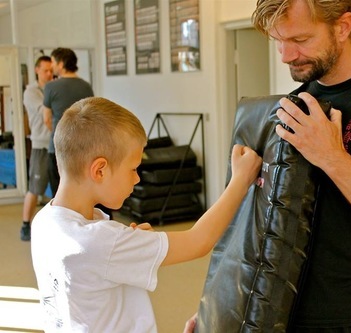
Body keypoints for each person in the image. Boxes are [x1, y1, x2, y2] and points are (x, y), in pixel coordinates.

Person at [186, 0, 351, 332]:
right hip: (280, 316)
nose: (285, 55)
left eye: (300, 40)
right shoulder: (292, 106)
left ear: (343, 26)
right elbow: (252, 223)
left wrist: (331, 157)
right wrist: (220, 306)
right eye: (278, 41)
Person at [31, 97, 262, 332]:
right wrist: (240, 180)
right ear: (99, 170)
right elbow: (198, 241)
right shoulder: (101, 242)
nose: (137, 178)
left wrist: (126, 245)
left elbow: (88, 277)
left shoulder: (44, 221)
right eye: (133, 169)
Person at [43, 47, 94, 197]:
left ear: (61, 63)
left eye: (52, 61)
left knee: (59, 193)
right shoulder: (86, 86)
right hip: (83, 147)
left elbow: (47, 119)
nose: (51, 66)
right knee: (82, 191)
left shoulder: (51, 86)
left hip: (58, 147)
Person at [20, 55, 53, 241]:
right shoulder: (31, 92)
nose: (49, 74)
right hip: (40, 145)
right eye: (45, 70)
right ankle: (25, 224)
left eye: (51, 70)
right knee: (35, 187)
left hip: (56, 145)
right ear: (37, 70)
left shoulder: (53, 88)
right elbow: (46, 113)